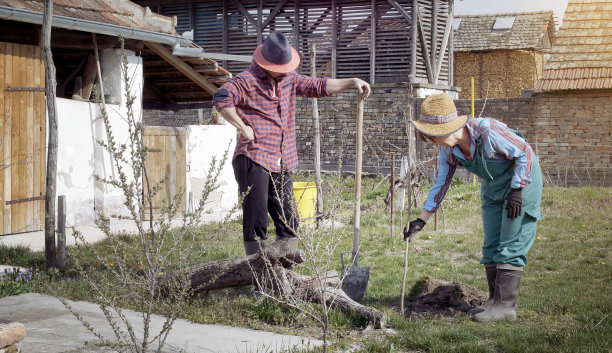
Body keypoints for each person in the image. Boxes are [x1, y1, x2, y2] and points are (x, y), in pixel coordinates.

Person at [213, 32, 371, 256]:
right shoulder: (246, 80)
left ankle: (285, 271)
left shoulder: (290, 78)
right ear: (265, 64)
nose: (285, 73)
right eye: (280, 69)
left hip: (280, 160)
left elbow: (318, 86)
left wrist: (352, 82)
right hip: (253, 157)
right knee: (257, 220)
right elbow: (221, 98)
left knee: (289, 220)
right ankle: (261, 278)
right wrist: (242, 127)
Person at [403, 93, 543, 322]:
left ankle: (505, 307)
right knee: (491, 243)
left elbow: (524, 152)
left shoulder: (488, 131)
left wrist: (518, 189)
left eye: (433, 136)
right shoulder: (448, 151)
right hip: (493, 188)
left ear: (446, 129)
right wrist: (421, 220)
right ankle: (493, 301)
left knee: (510, 242)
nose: (432, 141)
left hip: (522, 182)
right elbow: (441, 183)